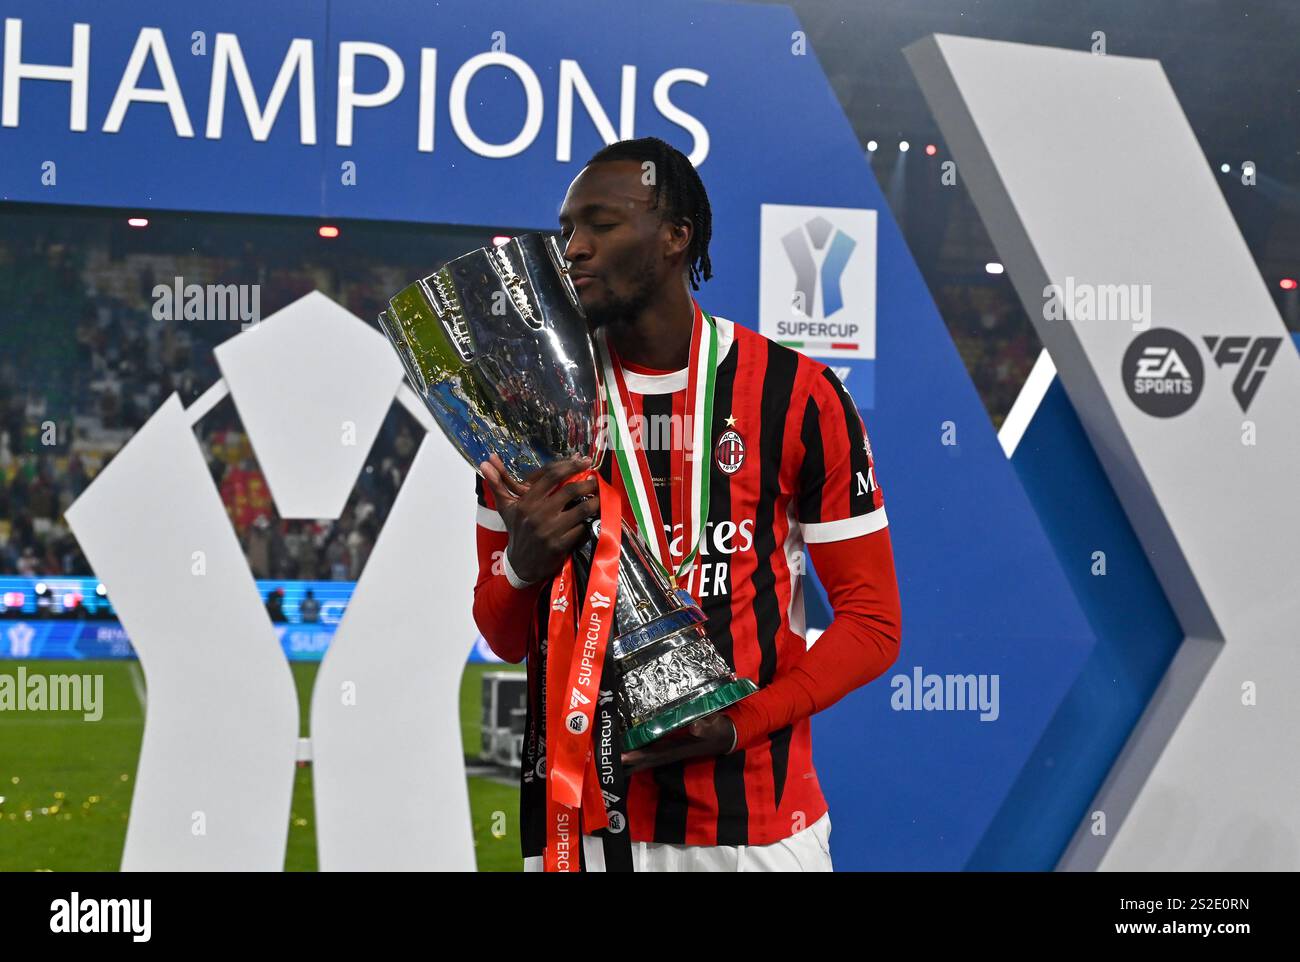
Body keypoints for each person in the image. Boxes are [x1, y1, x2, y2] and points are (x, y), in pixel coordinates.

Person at [473, 137, 901, 872]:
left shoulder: (799, 395)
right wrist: (522, 562)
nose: (573, 249)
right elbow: (502, 635)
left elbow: (873, 623)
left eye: (601, 225)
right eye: (567, 228)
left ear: (677, 236)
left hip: (759, 831)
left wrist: (741, 725)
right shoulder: (527, 409)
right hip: (583, 828)